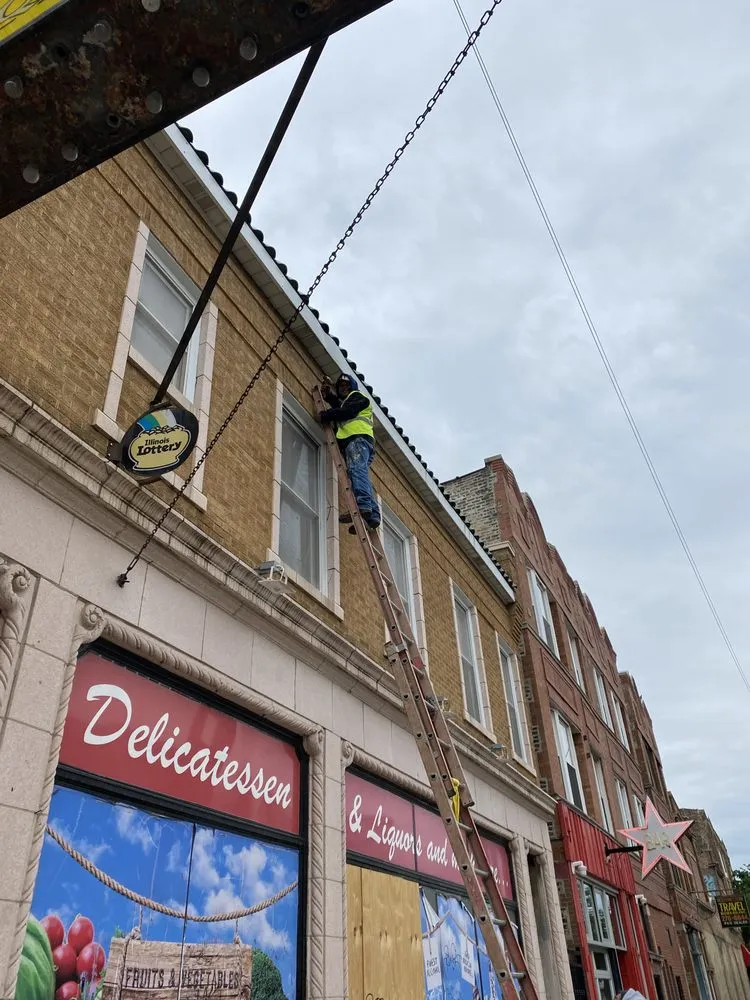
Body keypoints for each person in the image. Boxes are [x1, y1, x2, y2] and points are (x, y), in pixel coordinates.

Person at [319, 373, 381, 529]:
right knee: (358, 473)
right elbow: (342, 408)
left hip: (358, 439)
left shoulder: (358, 397)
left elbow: (347, 411)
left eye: (346, 386)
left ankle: (363, 507)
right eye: (340, 387)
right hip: (358, 442)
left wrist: (325, 415)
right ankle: (372, 516)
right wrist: (331, 398)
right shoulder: (348, 401)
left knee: (357, 470)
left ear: (352, 387)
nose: (343, 388)